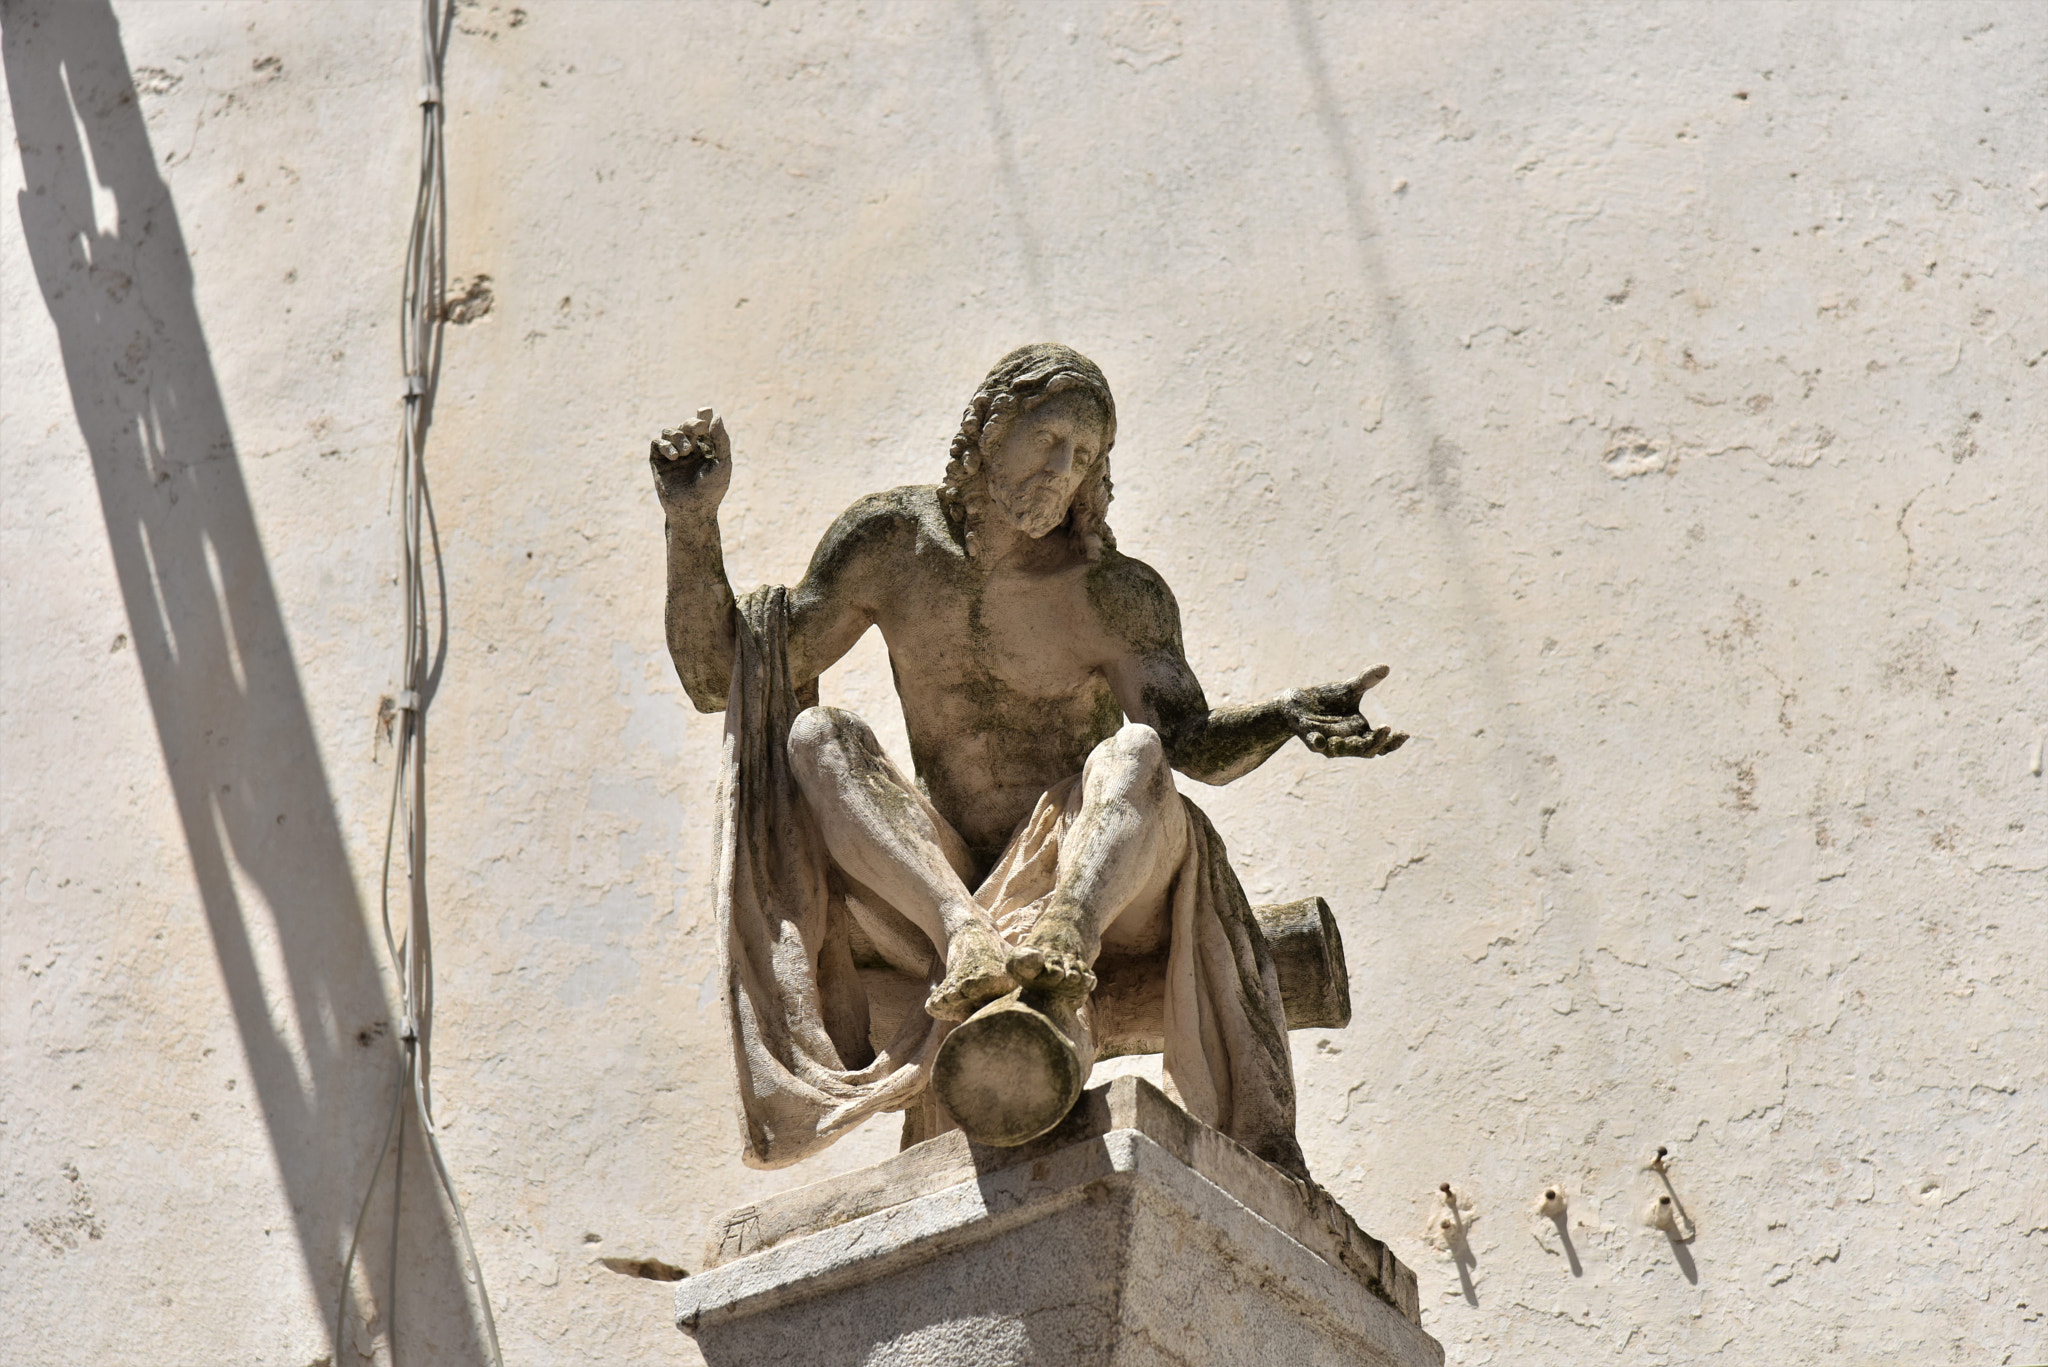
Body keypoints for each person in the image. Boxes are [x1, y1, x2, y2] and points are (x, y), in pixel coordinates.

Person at [652, 344, 1405, 1173]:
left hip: (1092, 864)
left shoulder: (1112, 593)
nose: (1062, 470)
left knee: (1137, 750)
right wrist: (693, 527)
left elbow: (1192, 747)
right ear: (988, 429)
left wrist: (1283, 716)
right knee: (815, 737)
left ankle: (1059, 946)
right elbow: (726, 675)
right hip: (949, 878)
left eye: (1083, 457)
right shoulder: (889, 545)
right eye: (1047, 439)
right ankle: (966, 939)